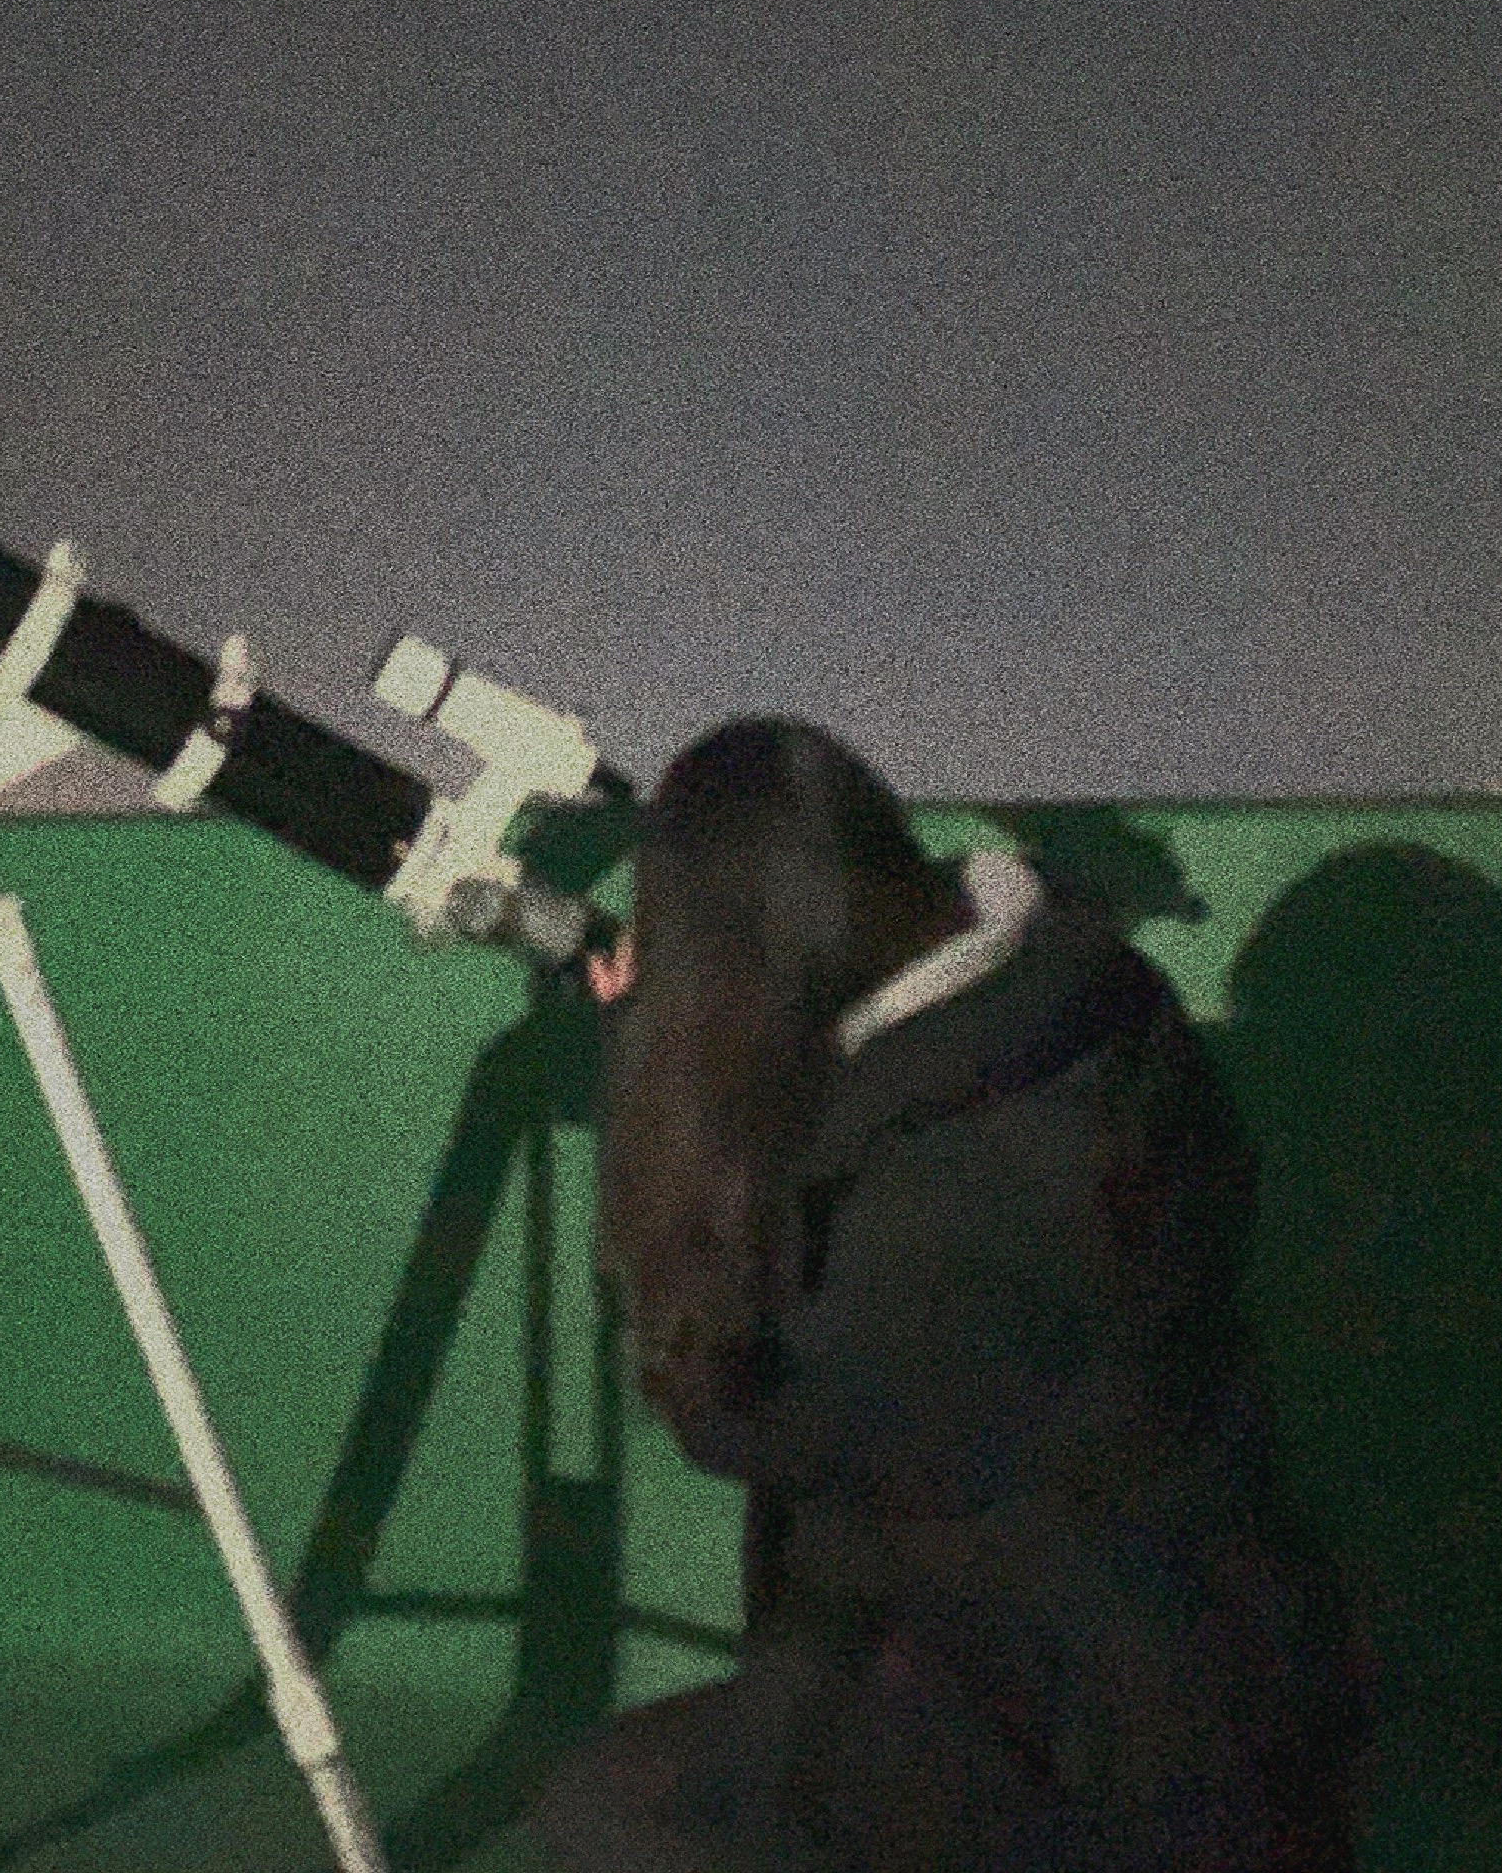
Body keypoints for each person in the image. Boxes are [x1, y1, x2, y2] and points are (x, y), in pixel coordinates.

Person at [530, 718, 1370, 1873]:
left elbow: (735, 1405)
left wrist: (657, 1076)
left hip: (1081, 1753)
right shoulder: (1079, 1016)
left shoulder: (963, 1195)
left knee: (607, 1817)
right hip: (1178, 1674)